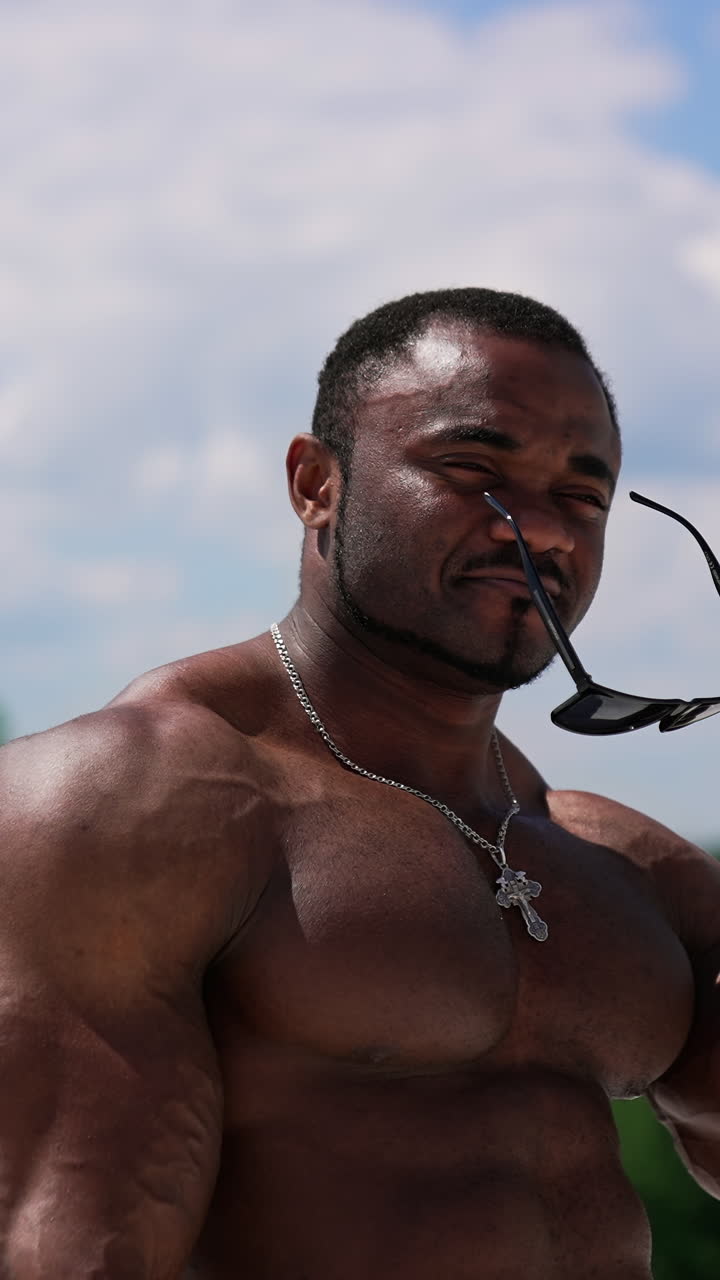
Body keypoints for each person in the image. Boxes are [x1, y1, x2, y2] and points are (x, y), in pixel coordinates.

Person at [1, 287, 718, 1279]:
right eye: (476, 469)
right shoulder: (129, 802)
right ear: (316, 483)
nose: (542, 529)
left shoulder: (623, 866)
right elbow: (67, 1247)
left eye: (583, 497)